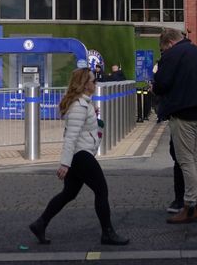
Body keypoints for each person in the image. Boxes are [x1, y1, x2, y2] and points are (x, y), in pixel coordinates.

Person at [28, 68, 129, 246]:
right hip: (80, 155)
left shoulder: (84, 104)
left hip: (79, 155)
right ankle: (107, 233)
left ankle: (40, 223)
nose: (95, 83)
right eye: (92, 81)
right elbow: (70, 137)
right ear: (84, 84)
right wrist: (64, 165)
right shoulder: (79, 107)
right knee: (101, 191)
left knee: (69, 194)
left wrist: (93, 117)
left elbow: (81, 130)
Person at [153, 28, 197, 224]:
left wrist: (156, 87)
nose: (163, 52)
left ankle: (189, 206)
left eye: (163, 49)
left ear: (169, 43)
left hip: (183, 113)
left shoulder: (172, 55)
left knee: (185, 160)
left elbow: (161, 83)